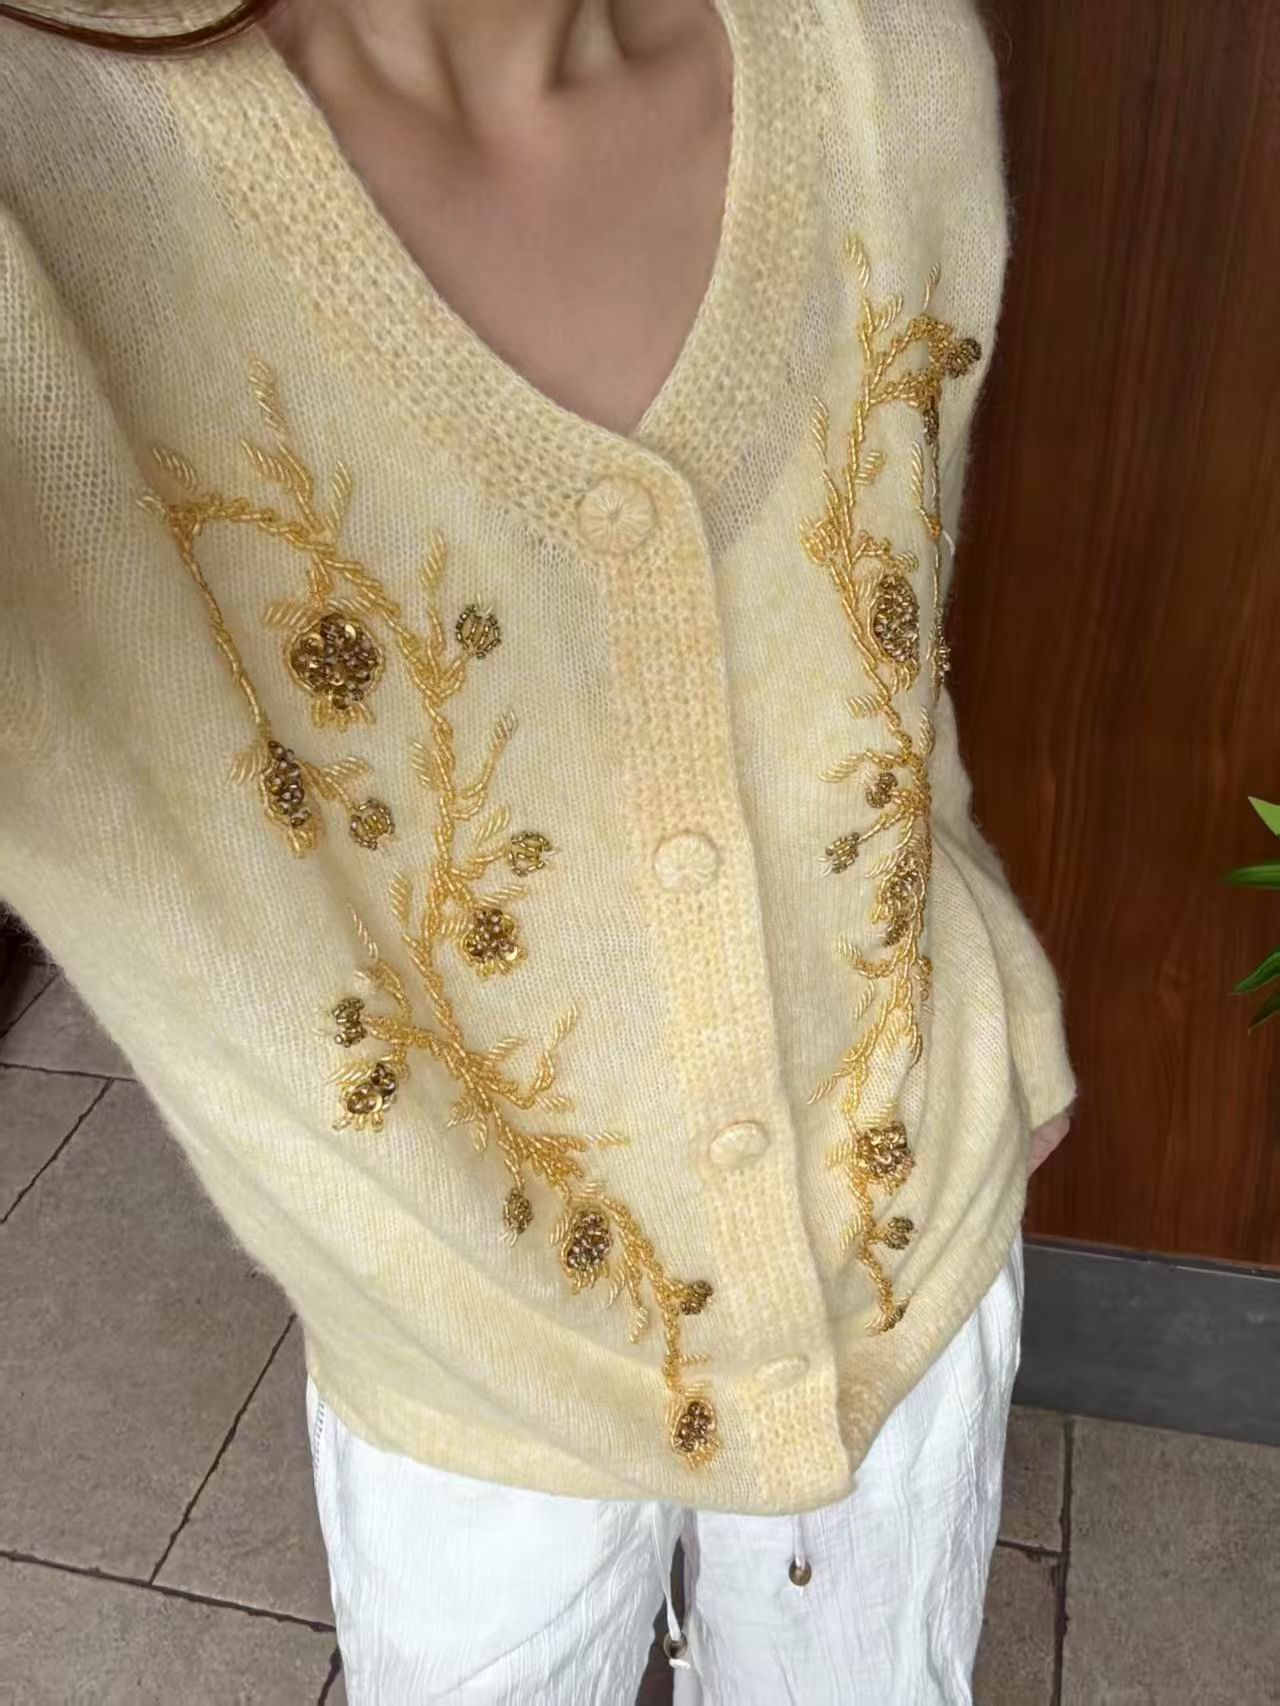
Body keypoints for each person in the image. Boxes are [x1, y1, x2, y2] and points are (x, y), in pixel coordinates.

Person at [0, 0, 1077, 1698]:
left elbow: (882, 648)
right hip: (463, 1373)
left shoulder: (883, 57)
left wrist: (994, 995)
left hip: (910, 1258)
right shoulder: (39, 198)